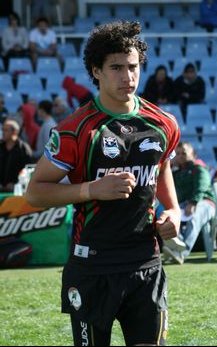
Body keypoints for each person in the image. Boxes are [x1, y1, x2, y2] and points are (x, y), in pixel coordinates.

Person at [26, 20, 182, 346]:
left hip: (146, 263)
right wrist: (90, 190)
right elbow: (35, 193)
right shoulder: (75, 129)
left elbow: (162, 165)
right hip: (93, 266)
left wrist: (174, 211)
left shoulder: (163, 123)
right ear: (96, 71)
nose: (128, 77)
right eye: (116, 68)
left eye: (133, 67)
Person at [162, 141, 216, 265]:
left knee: (194, 218)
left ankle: (182, 253)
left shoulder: (199, 168)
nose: (180, 156)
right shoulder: (175, 173)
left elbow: (202, 187)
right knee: (170, 218)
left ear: (193, 154)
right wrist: (169, 167)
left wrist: (193, 202)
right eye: (178, 153)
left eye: (184, 153)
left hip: (205, 203)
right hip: (184, 205)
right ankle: (177, 248)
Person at [0, 118, 33, 192]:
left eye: (6, 130)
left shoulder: (23, 149)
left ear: (15, 132)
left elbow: (29, 169)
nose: (3, 133)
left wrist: (16, 184)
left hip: (16, 191)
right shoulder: (1, 146)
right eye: (3, 130)